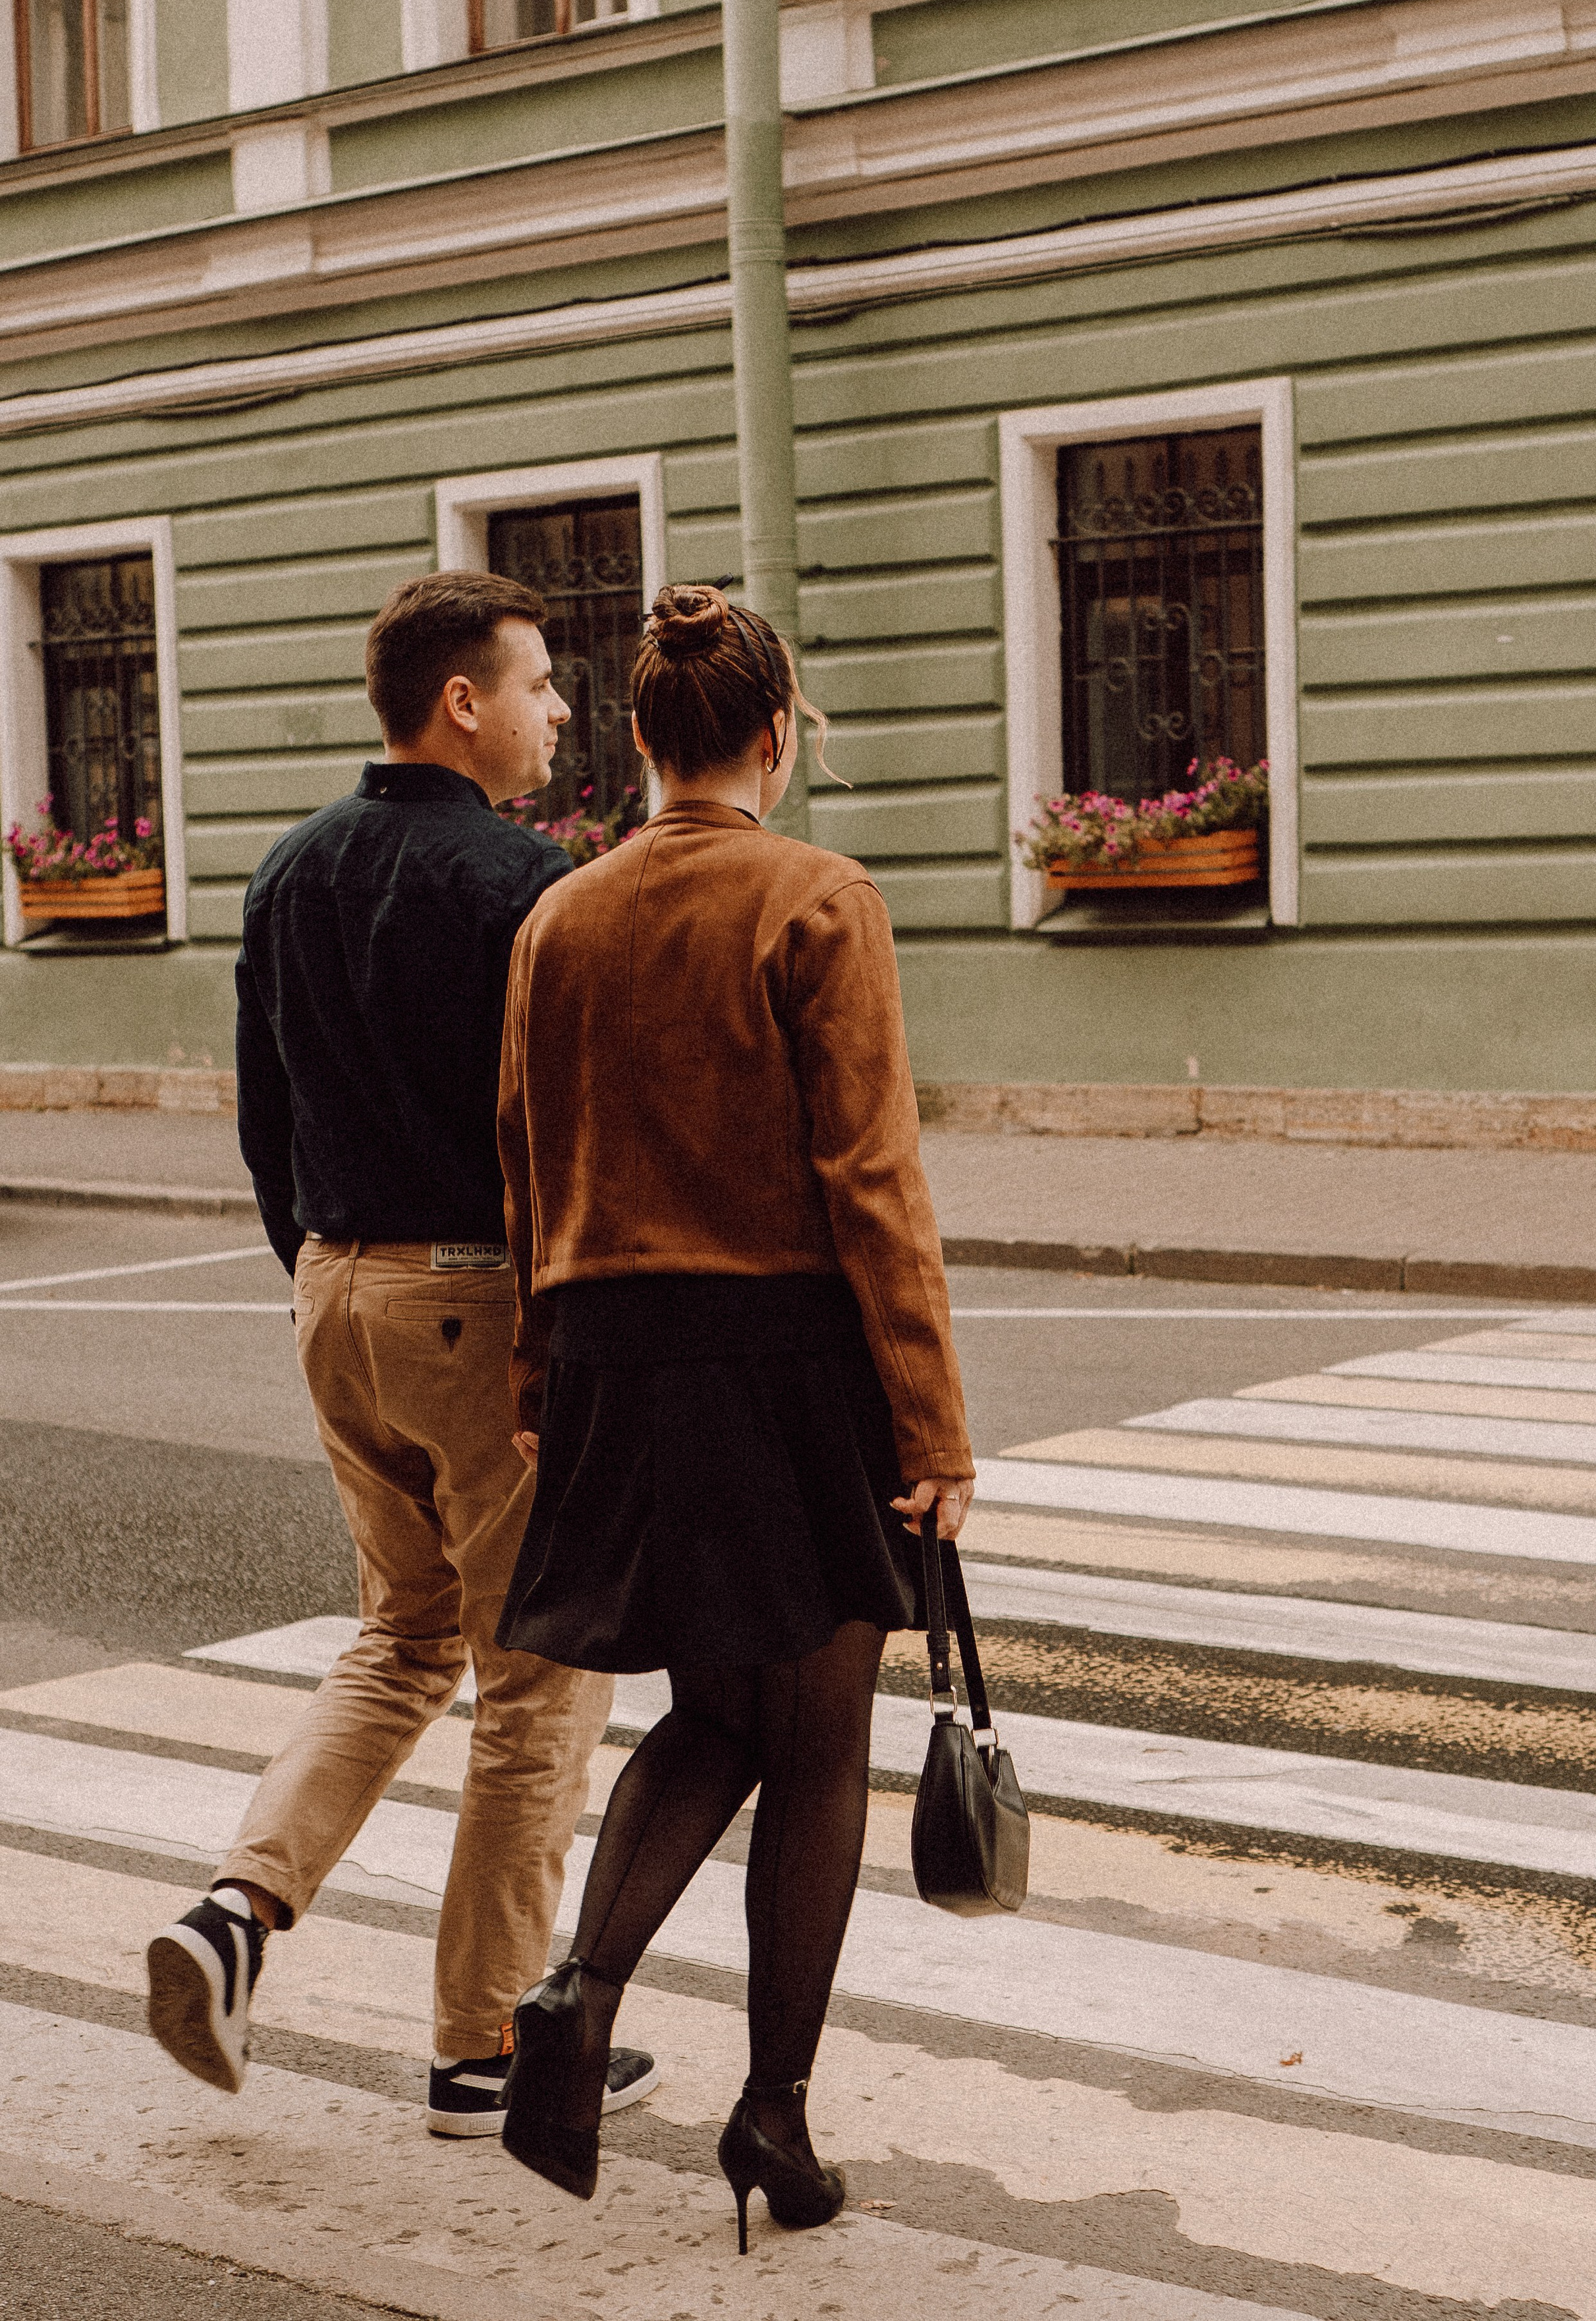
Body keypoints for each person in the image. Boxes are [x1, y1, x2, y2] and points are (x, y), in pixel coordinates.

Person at [492, 584, 975, 2250]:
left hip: (621, 1353)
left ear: (637, 738)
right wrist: (932, 1433)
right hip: (784, 1354)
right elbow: (873, 1187)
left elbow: (525, 1164)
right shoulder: (815, 896)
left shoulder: (560, 917)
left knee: (713, 1711)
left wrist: (540, 1384)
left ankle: (570, 1992)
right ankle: (771, 2112)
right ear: (779, 735)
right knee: (816, 1733)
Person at [144, 570, 657, 2137]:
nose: (558, 711)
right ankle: (484, 2044)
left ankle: (239, 1909)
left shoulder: (289, 870)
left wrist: (316, 1263)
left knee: (398, 1639)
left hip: (334, 1291)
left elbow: (265, 1111)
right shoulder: (524, 884)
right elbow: (562, 1138)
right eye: (540, 685)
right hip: (475, 1305)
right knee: (538, 1677)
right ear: (462, 704)